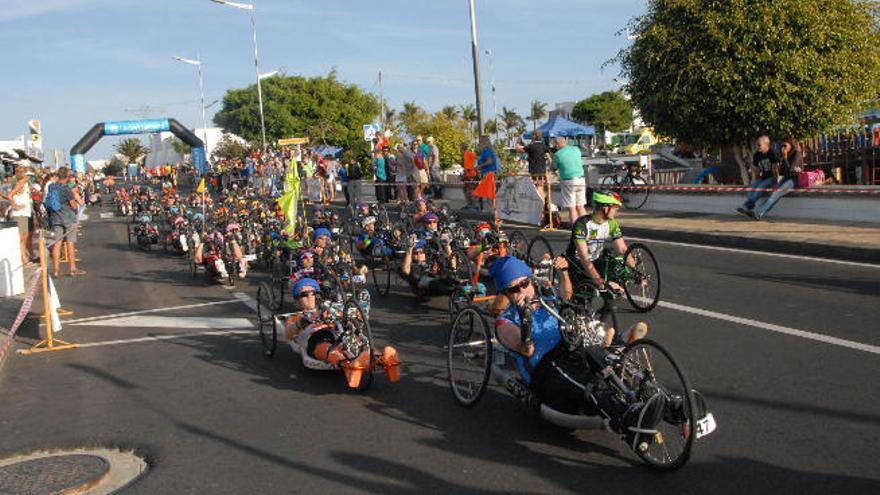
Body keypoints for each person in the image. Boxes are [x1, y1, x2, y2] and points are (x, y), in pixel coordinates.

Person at [488, 256, 667, 448]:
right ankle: (627, 420)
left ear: (530, 280)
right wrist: (526, 321)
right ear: (506, 293)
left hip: (573, 349)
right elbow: (527, 351)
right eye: (515, 289)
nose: (523, 291)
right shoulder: (505, 322)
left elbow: (568, 299)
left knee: (605, 361)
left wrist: (564, 272)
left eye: (525, 283)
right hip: (546, 369)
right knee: (590, 382)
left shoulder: (547, 300)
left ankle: (669, 405)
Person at [283, 278, 401, 388]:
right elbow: (288, 334)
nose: (310, 296)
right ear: (297, 302)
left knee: (356, 337)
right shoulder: (297, 317)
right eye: (304, 294)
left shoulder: (328, 309)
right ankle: (348, 365)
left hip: (339, 333)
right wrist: (301, 323)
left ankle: (385, 360)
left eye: (313, 293)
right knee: (324, 342)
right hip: (316, 337)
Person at [563, 191, 633, 342]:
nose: (617, 211)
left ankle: (598, 326)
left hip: (595, 261)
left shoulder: (612, 224)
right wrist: (599, 281)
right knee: (581, 306)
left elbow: (622, 249)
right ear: (605, 208)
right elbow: (583, 258)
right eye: (615, 207)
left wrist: (634, 271)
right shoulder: (582, 224)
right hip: (577, 265)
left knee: (615, 291)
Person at [45, 167, 85, 277]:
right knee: (70, 243)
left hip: (55, 218)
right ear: (67, 177)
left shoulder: (51, 187)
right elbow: (73, 204)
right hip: (68, 218)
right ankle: (72, 269)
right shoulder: (66, 189)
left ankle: (56, 270)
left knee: (57, 243)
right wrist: (76, 208)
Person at [752, 137, 802, 220]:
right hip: (785, 178)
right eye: (782, 146)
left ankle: (758, 212)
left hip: (793, 180)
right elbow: (782, 172)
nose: (783, 148)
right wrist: (783, 159)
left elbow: (791, 171)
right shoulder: (785, 154)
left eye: (785, 145)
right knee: (774, 195)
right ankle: (759, 214)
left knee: (775, 194)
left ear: (791, 145)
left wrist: (785, 158)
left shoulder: (797, 154)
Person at [737, 135, 780, 218]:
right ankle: (750, 206)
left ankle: (746, 206)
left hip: (772, 177)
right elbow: (757, 171)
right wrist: (752, 168)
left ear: (766, 144)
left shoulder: (772, 153)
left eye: (759, 145)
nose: (757, 146)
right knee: (752, 186)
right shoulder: (757, 155)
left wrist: (776, 182)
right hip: (763, 176)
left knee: (761, 186)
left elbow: (776, 169)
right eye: (757, 144)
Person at [553, 136, 586, 225]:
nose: (555, 147)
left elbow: (554, 168)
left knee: (572, 208)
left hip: (569, 181)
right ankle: (586, 227)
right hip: (581, 179)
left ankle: (575, 230)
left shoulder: (557, 154)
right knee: (581, 207)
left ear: (558, 144)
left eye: (555, 145)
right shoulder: (576, 149)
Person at [5, 168, 35, 265]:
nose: (29, 177)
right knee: (22, 238)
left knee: (24, 237)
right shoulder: (20, 184)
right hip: (20, 214)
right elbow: (10, 196)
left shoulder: (25, 184)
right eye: (27, 175)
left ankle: (24, 258)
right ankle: (23, 259)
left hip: (25, 213)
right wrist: (16, 206)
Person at [524, 130, 549, 201]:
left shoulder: (531, 146)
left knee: (538, 188)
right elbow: (548, 156)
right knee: (540, 188)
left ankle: (542, 206)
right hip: (542, 170)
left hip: (534, 171)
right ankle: (543, 204)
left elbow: (522, 150)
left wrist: (518, 145)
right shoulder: (544, 146)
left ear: (534, 136)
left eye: (533, 135)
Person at [460, 143, 478, 210]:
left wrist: (474, 168)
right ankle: (469, 204)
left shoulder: (469, 153)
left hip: (471, 175)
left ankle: (474, 205)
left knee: (470, 190)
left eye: (461, 146)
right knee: (465, 190)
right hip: (467, 175)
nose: (460, 148)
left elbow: (478, 158)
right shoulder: (465, 154)